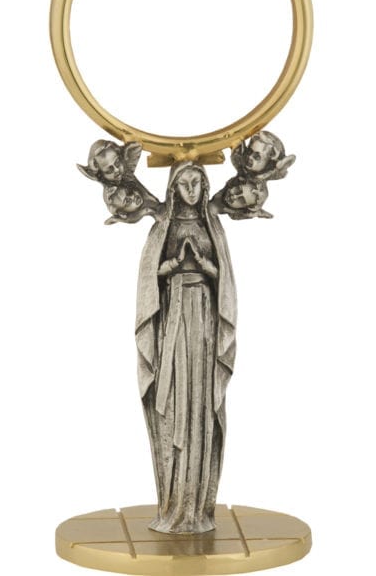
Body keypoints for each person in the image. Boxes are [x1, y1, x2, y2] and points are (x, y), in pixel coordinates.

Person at [135, 162, 237, 533]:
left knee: (200, 400)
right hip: (173, 319)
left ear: (205, 186)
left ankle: (197, 507)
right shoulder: (164, 223)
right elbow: (150, 275)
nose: (191, 190)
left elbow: (225, 278)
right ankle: (174, 504)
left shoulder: (212, 224)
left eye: (197, 182)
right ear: (173, 187)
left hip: (204, 319)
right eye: (184, 183)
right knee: (177, 396)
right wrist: (174, 264)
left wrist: (208, 268)